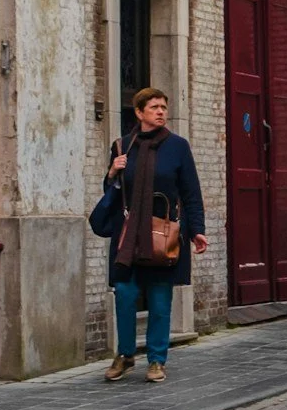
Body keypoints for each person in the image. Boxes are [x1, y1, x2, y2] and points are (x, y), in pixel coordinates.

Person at [88, 87, 207, 384]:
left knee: (159, 298)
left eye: (164, 107)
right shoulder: (122, 146)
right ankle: (125, 354)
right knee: (125, 295)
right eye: (154, 107)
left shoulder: (178, 147)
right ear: (139, 112)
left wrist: (197, 231)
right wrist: (112, 174)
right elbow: (112, 194)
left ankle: (156, 359)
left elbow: (191, 192)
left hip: (163, 234)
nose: (161, 111)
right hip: (128, 234)